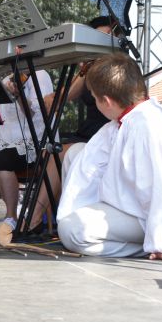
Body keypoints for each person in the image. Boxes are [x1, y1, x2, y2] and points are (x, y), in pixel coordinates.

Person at [56, 52, 162, 261]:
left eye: (95, 99)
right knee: (76, 153)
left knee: (72, 231)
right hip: (129, 206)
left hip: (151, 219)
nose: (96, 103)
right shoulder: (127, 119)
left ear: (107, 101)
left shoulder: (148, 127)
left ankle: (147, 248)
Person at [24, 17, 123, 232]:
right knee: (48, 153)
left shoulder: (119, 71)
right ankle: (53, 219)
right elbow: (63, 97)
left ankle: (35, 218)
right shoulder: (89, 69)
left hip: (106, 133)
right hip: (89, 131)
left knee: (57, 154)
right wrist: (43, 98)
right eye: (97, 37)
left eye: (106, 37)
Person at [0, 67, 55, 231]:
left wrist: (19, 95)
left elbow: (35, 115)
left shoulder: (40, 75)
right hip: (6, 141)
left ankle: (10, 218)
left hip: (35, 142)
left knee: (4, 159)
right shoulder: (6, 80)